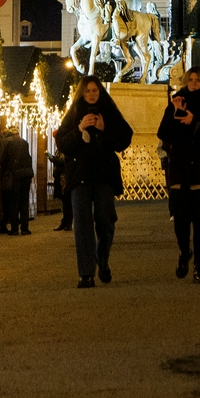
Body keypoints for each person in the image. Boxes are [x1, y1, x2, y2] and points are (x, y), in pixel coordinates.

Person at [54, 77, 133, 287]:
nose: (91, 94)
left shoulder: (109, 111)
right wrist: (79, 129)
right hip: (79, 175)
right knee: (82, 223)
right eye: (88, 90)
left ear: (100, 92)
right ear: (82, 92)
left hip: (103, 175)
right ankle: (86, 273)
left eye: (95, 90)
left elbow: (125, 138)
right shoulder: (73, 114)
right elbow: (62, 142)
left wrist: (105, 127)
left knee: (106, 219)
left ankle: (102, 257)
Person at [157, 67, 200, 283]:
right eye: (191, 79)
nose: (194, 83)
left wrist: (195, 122)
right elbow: (163, 133)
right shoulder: (177, 102)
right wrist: (176, 113)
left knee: (199, 220)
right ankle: (184, 251)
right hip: (179, 167)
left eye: (198, 80)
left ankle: (199, 265)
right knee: (180, 219)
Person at [0, 124, 34, 235]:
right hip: (26, 174)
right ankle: (25, 228)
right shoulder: (24, 142)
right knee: (24, 200)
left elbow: (0, 159)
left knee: (14, 201)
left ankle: (14, 229)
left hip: (15, 175)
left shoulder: (6, 142)